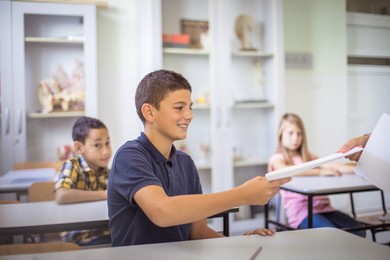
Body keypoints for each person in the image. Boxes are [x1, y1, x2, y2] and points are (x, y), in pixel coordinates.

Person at [107, 70, 290, 246]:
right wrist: (242, 195)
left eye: (190, 107)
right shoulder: (129, 156)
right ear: (149, 112)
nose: (189, 115)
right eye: (179, 107)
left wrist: (240, 243)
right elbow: (163, 211)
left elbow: (198, 231)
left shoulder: (185, 163)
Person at [268, 113, 366, 237]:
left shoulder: (307, 156)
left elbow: (331, 166)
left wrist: (358, 168)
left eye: (299, 134)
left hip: (324, 208)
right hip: (301, 212)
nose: (295, 138)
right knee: (333, 236)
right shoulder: (277, 158)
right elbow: (287, 170)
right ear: (281, 134)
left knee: (359, 230)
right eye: (291, 133)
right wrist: (320, 172)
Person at [54, 116, 112, 245]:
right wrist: (105, 194)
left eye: (107, 143)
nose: (106, 151)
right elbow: (61, 195)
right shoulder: (73, 165)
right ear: (79, 148)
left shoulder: (106, 171)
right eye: (97, 145)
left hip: (105, 233)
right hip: (80, 237)